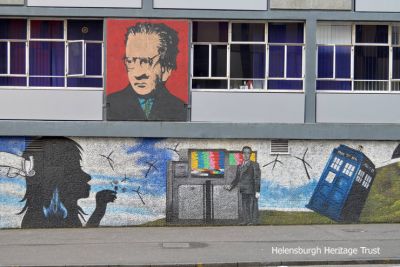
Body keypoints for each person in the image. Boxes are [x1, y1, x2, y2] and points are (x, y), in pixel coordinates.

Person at [18, 137, 116, 228]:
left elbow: (80, 238)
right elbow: (80, 240)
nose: (87, 176)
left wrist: (100, 207)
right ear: (53, 178)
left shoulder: (64, 212)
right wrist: (100, 209)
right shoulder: (45, 217)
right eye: (75, 169)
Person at [107, 22, 187, 121]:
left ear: (166, 69)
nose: (137, 74)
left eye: (146, 62)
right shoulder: (110, 104)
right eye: (130, 61)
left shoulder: (180, 109)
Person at [226, 146, 261, 225]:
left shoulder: (254, 165)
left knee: (252, 206)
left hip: (252, 190)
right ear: (242, 154)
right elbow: (237, 179)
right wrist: (230, 186)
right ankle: (246, 221)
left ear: (250, 154)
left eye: (248, 153)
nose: (246, 155)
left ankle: (253, 221)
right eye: (244, 153)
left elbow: (257, 178)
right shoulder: (239, 166)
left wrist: (257, 191)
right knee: (244, 206)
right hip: (243, 189)